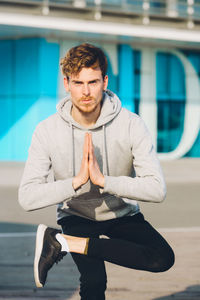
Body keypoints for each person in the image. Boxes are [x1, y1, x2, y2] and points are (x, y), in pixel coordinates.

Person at [18, 43, 175, 300]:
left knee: (162, 258)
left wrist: (104, 181)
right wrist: (76, 182)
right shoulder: (46, 131)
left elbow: (157, 189)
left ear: (105, 81)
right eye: (78, 83)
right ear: (66, 83)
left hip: (120, 211)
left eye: (93, 82)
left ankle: (63, 243)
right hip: (76, 214)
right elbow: (27, 196)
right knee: (93, 282)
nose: (86, 92)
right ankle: (66, 239)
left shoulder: (131, 125)